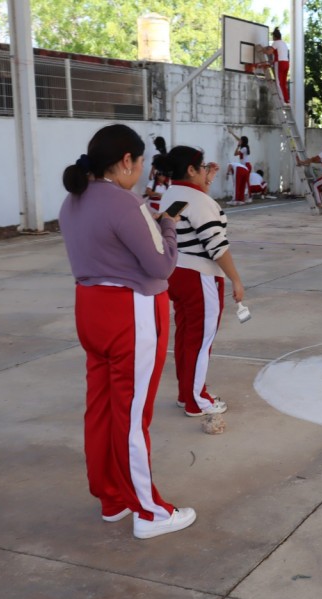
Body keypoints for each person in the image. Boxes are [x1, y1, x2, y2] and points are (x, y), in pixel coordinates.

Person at [59, 124, 197, 540]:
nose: (139, 170)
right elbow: (161, 265)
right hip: (129, 314)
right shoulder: (124, 203)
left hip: (91, 309)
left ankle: (112, 497)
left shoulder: (73, 201)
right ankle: (149, 511)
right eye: (139, 163)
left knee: (101, 408)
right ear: (125, 162)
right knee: (132, 414)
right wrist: (167, 226)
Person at [158, 146, 245, 418]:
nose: (207, 170)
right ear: (191, 170)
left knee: (186, 336)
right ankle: (197, 400)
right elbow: (216, 245)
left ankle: (186, 393)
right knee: (200, 340)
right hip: (200, 276)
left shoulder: (171, 193)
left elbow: (190, 211)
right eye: (202, 166)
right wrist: (235, 279)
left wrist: (204, 182)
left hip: (176, 273)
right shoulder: (199, 201)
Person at [263, 28, 290, 103]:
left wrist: (263, 50)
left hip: (279, 63)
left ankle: (282, 100)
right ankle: (286, 99)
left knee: (278, 82)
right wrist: (273, 61)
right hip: (286, 63)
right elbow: (280, 54)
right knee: (283, 83)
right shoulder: (284, 43)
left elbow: (269, 52)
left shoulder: (275, 43)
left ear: (275, 37)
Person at [225, 136, 251, 205]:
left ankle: (247, 197)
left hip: (246, 165)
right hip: (244, 166)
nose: (239, 141)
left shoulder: (244, 148)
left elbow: (235, 153)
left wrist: (238, 146)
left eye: (240, 140)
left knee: (245, 183)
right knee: (243, 183)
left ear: (243, 141)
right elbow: (236, 153)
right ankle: (242, 198)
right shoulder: (244, 148)